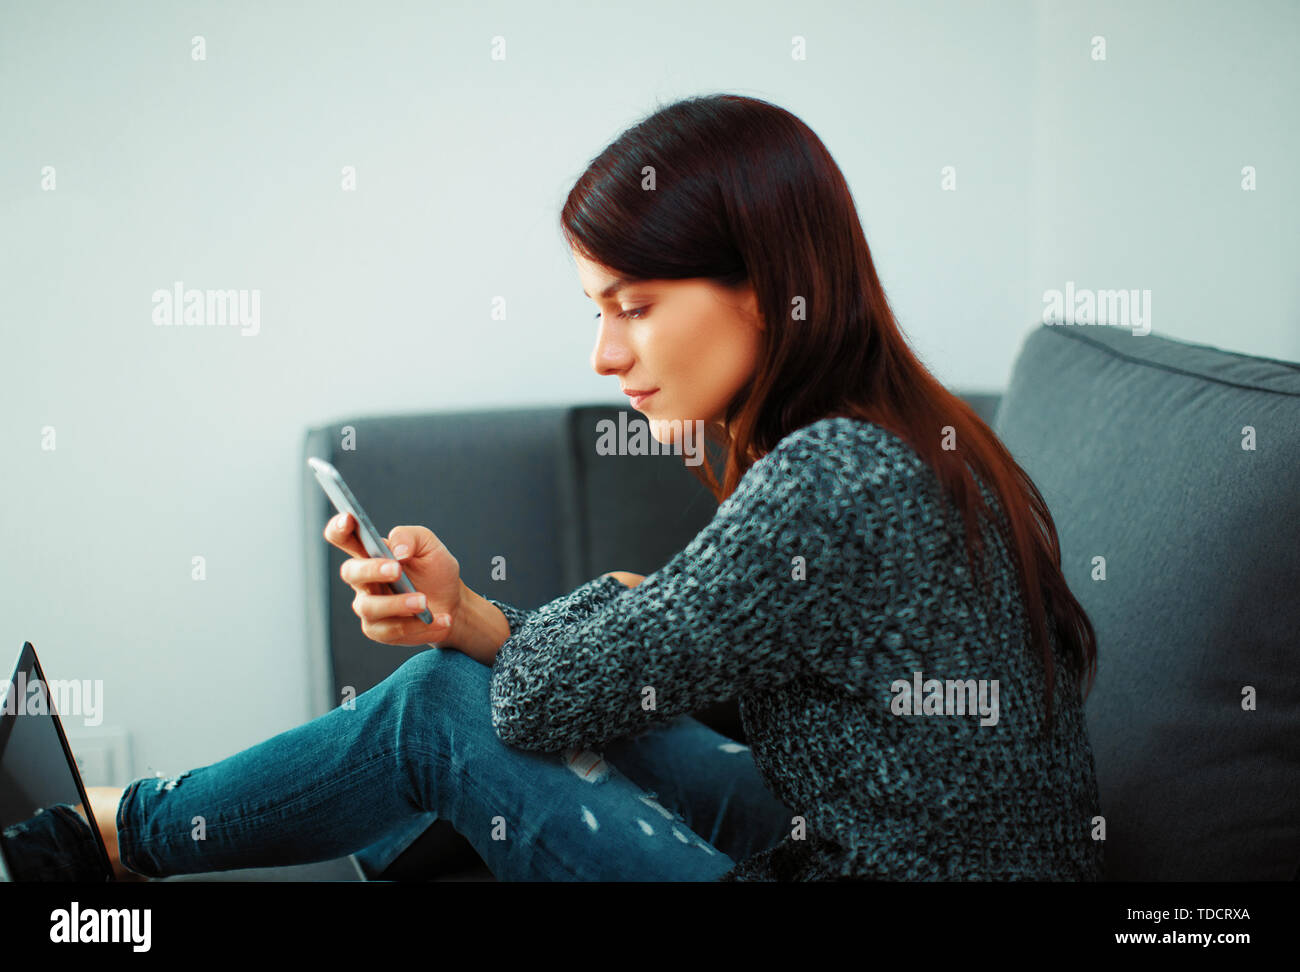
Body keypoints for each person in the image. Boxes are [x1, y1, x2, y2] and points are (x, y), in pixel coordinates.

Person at [75, 93, 1102, 882]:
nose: (605, 354)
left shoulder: (828, 481)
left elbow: (530, 702)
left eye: (635, 305)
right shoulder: (904, 441)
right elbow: (611, 683)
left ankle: (120, 835)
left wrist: (621, 606)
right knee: (529, 687)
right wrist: (476, 614)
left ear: (765, 286)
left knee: (441, 706)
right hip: (844, 836)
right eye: (595, 309)